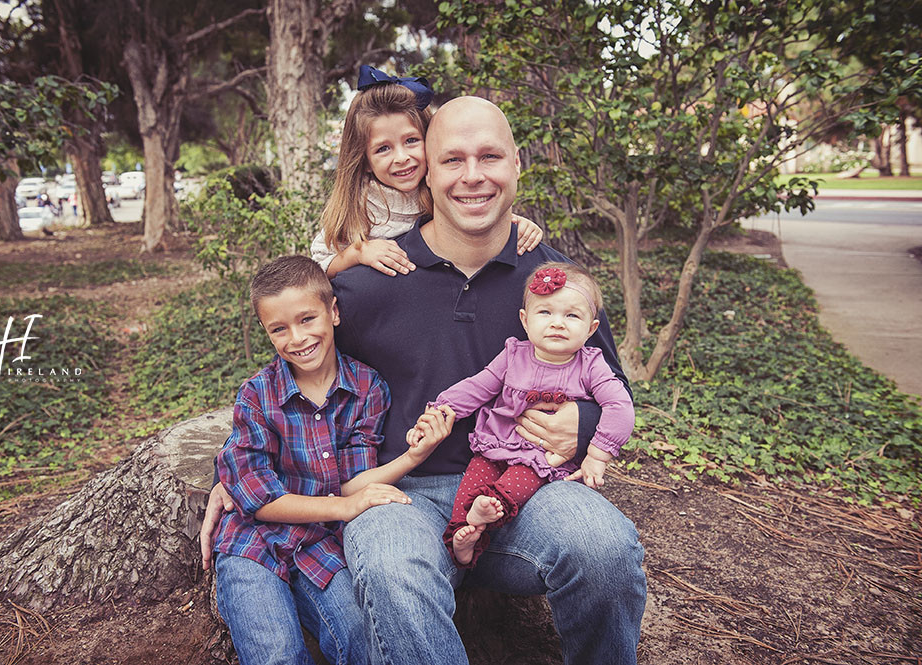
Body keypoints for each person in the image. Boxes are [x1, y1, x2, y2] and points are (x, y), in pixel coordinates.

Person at [203, 96, 647, 665]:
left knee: (605, 547)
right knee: (390, 567)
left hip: (526, 486)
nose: (473, 176)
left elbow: (617, 395)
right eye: (453, 160)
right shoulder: (372, 282)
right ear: (427, 176)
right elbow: (295, 357)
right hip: (399, 496)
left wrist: (583, 423)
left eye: (490, 157)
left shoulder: (556, 286)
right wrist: (237, 464)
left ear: (517, 165)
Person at [212, 255, 450, 665]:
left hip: (319, 544)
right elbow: (258, 498)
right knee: (278, 654)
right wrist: (342, 507)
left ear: (333, 311)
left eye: (307, 319)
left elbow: (356, 480)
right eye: (279, 329)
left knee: (361, 639)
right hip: (252, 541)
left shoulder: (366, 388)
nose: (297, 338)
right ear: (267, 333)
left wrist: (416, 455)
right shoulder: (256, 395)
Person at [406, 262, 635, 568]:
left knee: (519, 481)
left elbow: (620, 406)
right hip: (495, 445)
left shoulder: (591, 366)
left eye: (572, 315)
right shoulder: (515, 354)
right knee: (473, 480)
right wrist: (441, 409)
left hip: (541, 458)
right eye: (546, 312)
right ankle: (463, 533)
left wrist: (598, 454)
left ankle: (490, 508)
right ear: (525, 321)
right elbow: (478, 387)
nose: (557, 323)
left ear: (592, 328)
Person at [310, 65, 543, 277]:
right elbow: (320, 264)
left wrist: (518, 225)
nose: (401, 158)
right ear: (365, 161)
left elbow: (479, 213)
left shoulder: (442, 190)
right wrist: (357, 253)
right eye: (383, 148)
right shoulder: (360, 207)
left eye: (411, 141)